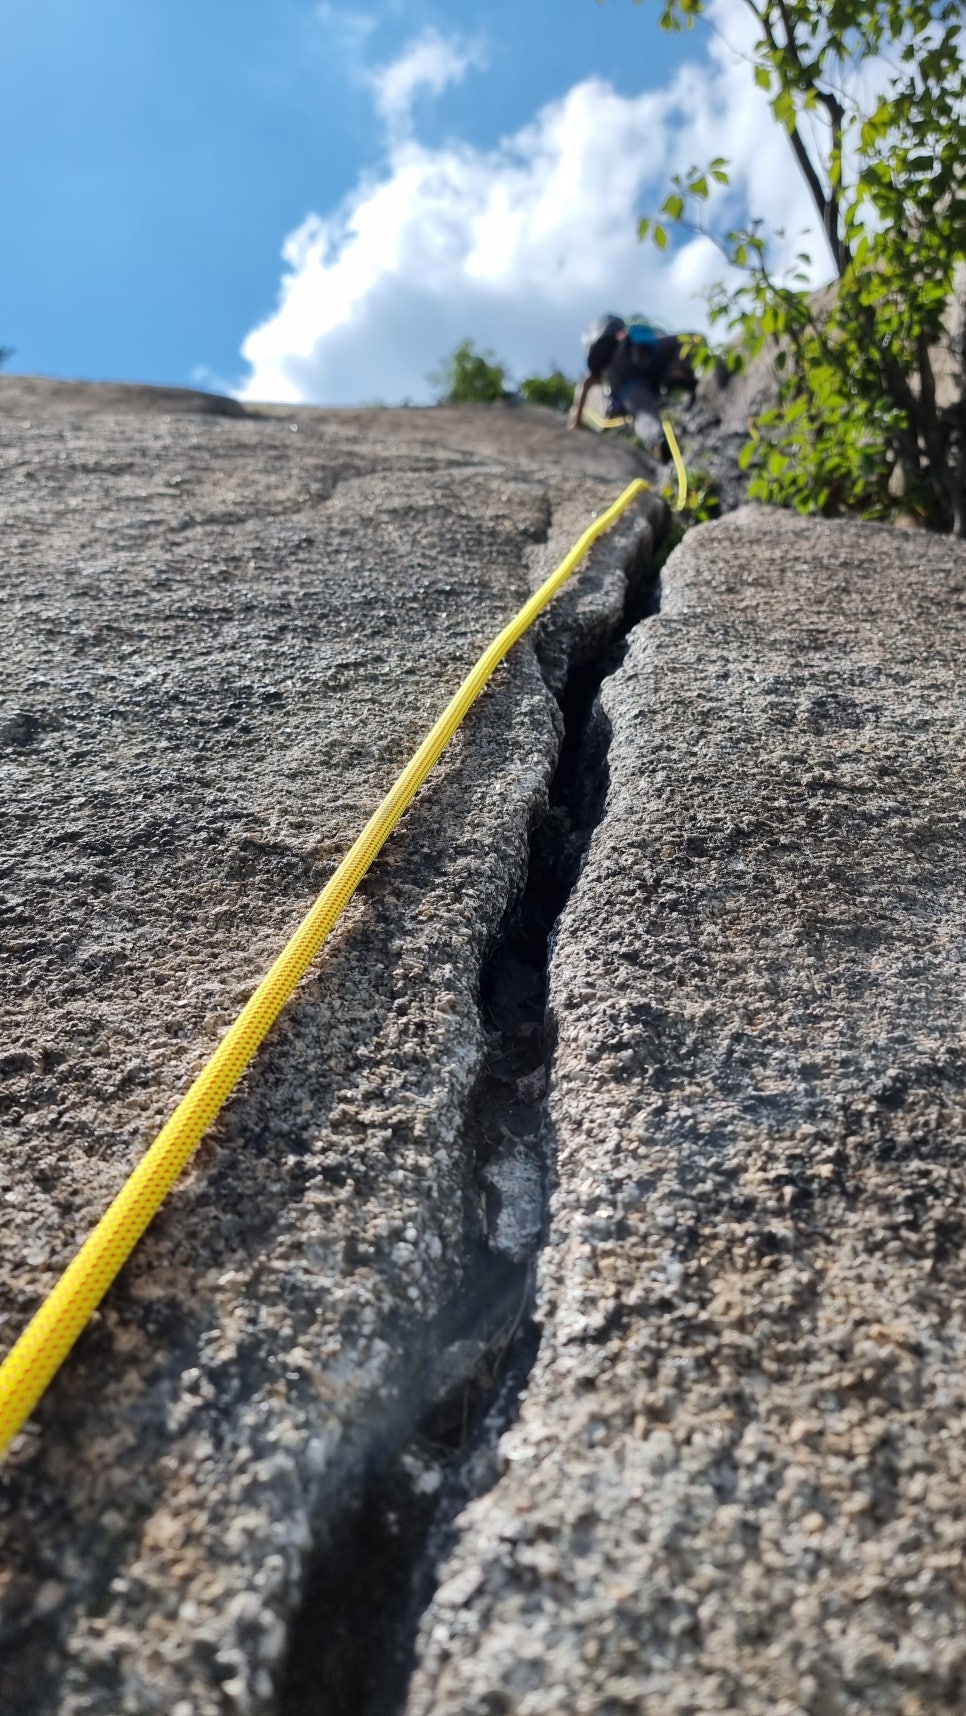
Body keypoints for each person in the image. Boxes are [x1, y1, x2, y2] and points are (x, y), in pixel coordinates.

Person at [569, 314, 696, 454]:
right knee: (685, 342)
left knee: (643, 411)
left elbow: (587, 383)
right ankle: (678, 372)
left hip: (625, 382)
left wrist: (576, 421)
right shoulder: (629, 335)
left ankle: (658, 442)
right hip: (643, 355)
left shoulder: (605, 363)